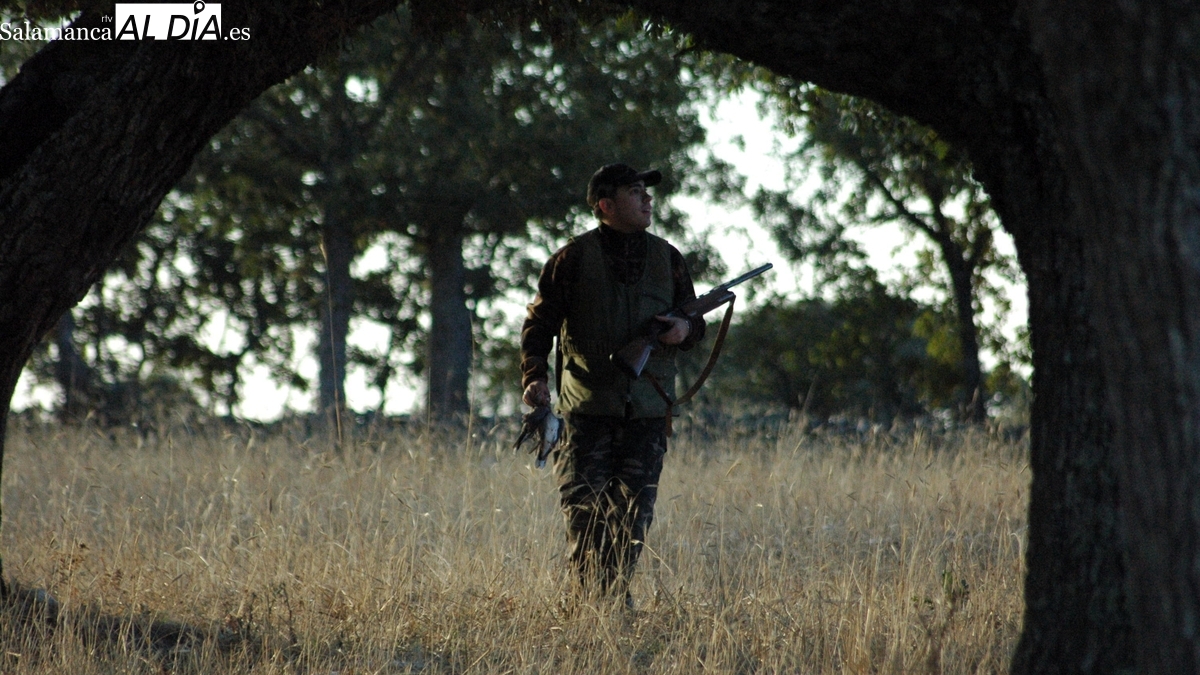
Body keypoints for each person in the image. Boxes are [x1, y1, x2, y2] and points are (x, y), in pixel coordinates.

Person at [519, 163, 706, 606]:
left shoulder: (668, 258)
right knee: (584, 514)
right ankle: (589, 607)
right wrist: (534, 376)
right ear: (606, 205)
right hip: (586, 410)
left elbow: (693, 323)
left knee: (633, 518)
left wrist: (683, 331)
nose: (648, 200)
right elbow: (539, 322)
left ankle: (614, 603)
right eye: (635, 192)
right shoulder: (572, 259)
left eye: (647, 192)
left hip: (646, 410)